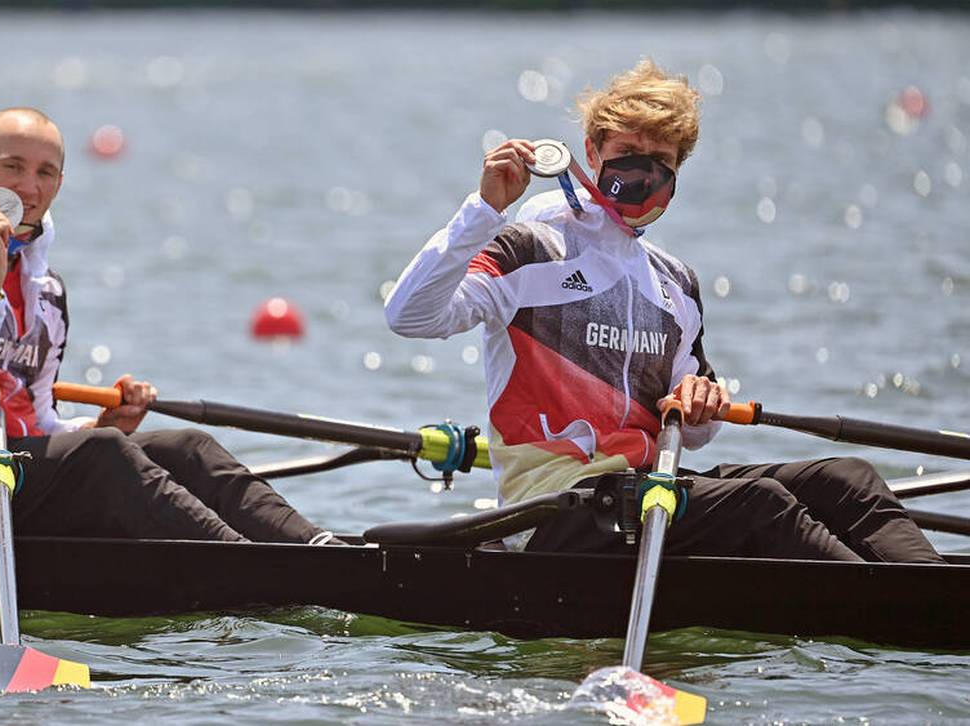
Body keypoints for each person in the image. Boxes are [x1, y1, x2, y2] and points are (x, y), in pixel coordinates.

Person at [384, 60, 941, 562]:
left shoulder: (676, 282)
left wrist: (704, 403)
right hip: (556, 509)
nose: (645, 177)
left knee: (848, 478)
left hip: (651, 493)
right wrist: (483, 210)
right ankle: (908, 616)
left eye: (663, 164)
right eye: (629, 157)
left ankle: (934, 593)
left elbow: (693, 432)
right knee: (761, 504)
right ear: (593, 152)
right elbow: (409, 315)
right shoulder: (528, 249)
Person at [0, 107, 338, 545]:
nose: (29, 188)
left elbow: (39, 420)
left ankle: (322, 554)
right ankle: (258, 569)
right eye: (12, 167)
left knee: (187, 447)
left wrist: (97, 424)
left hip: (14, 476)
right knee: (103, 455)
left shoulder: (44, 289)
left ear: (59, 184)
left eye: (44, 173)